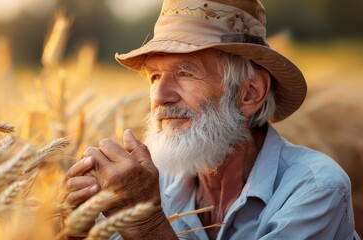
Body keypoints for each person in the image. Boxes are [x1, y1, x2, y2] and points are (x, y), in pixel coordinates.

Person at [63, 0, 361, 239]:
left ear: (250, 93)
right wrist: (75, 231)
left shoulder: (315, 188)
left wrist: (147, 223)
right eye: (155, 76)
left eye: (185, 72)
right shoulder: (155, 182)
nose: (160, 95)